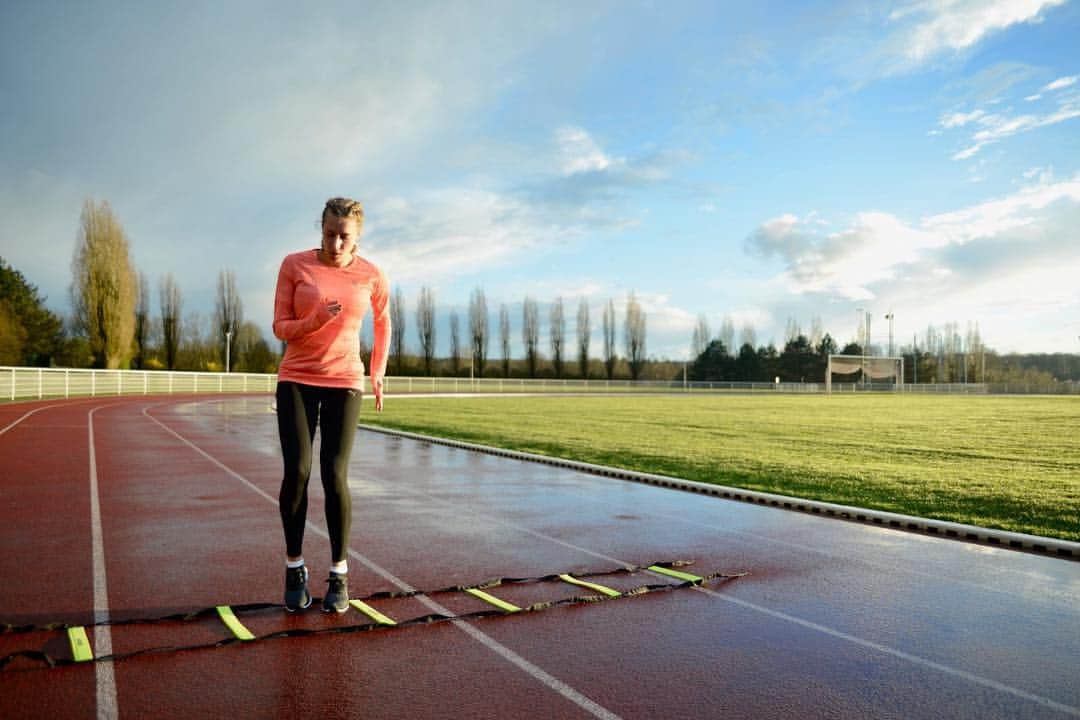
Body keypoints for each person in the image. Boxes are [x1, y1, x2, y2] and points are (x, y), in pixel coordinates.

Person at [272, 197, 390, 612]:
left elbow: (383, 319)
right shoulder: (294, 265)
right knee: (299, 470)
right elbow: (280, 326)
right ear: (319, 229)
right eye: (329, 234)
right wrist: (314, 321)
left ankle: (339, 574)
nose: (336, 244)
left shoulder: (371, 274)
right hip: (297, 379)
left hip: (344, 380)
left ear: (357, 237)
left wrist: (377, 370)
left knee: (334, 474)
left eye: (344, 237)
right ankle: (294, 567)